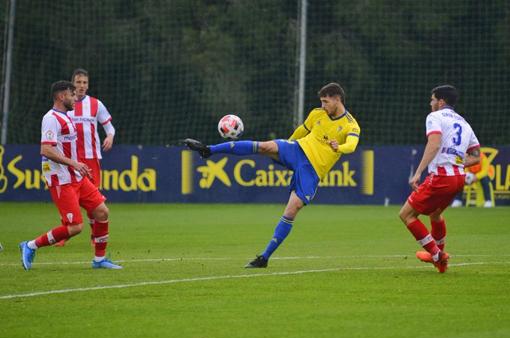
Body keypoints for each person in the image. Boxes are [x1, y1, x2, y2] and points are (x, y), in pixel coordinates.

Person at [184, 82, 361, 268]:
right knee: (265, 146)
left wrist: (338, 147)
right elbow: (302, 130)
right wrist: (287, 145)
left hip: (313, 170)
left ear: (337, 99)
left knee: (292, 210)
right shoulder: (317, 113)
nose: (323, 105)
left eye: (326, 102)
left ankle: (264, 258)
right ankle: (209, 150)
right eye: (322, 102)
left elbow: (351, 145)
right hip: (298, 150)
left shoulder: (351, 125)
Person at [19, 81, 122, 270]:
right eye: (71, 95)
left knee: (102, 212)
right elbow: (46, 149)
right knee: (75, 227)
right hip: (61, 180)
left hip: (76, 177)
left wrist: (79, 166)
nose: (75, 98)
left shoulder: (66, 117)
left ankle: (99, 260)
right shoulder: (51, 118)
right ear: (61, 96)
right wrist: (74, 163)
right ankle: (30, 245)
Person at [398, 85, 480, 273]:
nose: (431, 103)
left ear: (441, 101)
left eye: (433, 99)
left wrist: (418, 172)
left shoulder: (435, 117)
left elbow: (434, 143)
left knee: (406, 215)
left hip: (442, 176)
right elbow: (476, 155)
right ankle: (438, 258)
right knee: (435, 214)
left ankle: (437, 255)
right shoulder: (465, 123)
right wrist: (457, 162)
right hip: (458, 177)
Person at [55, 68, 116, 246]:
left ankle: (95, 235)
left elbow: (109, 127)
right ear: (72, 84)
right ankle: (65, 232)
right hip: (70, 160)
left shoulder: (96, 104)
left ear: (88, 85)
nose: (81, 86)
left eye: (84, 83)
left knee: (93, 200)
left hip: (91, 158)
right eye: (78, 82)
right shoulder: (66, 105)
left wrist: (110, 137)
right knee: (69, 197)